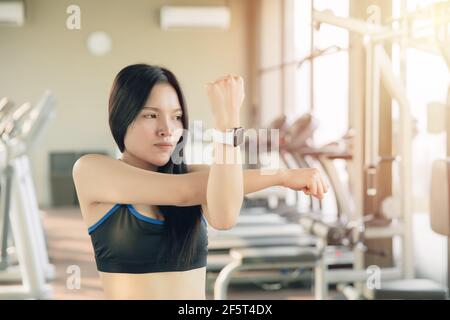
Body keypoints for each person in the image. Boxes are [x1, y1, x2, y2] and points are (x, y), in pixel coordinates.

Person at [72, 64, 328, 299]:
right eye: (150, 115)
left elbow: (225, 216)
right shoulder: (92, 170)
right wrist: (277, 173)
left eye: (176, 116)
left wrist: (232, 125)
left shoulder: (194, 174)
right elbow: (184, 193)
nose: (167, 129)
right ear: (121, 118)